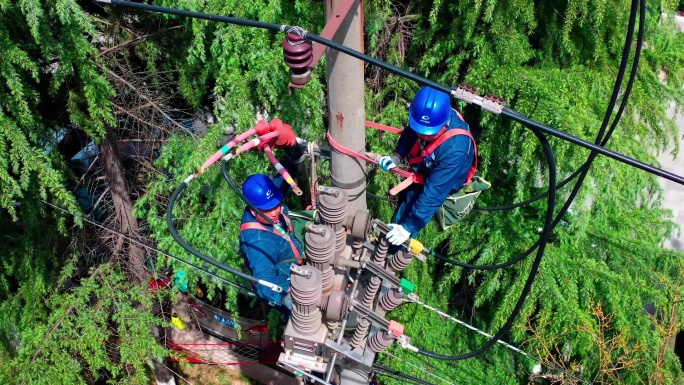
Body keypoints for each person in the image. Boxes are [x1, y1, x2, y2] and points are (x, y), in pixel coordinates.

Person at [377, 86, 476, 246]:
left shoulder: (456, 150)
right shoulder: (431, 116)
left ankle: (390, 257)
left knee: (399, 233)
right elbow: (411, 131)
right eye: (419, 130)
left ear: (444, 124)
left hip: (437, 185)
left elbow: (434, 193)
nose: (421, 135)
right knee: (402, 211)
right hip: (424, 173)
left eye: (428, 133)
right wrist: (397, 156)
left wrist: (407, 228)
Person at [239, 174, 304, 313]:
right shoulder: (258, 241)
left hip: (297, 259)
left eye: (277, 204)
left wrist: (293, 158)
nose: (276, 212)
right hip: (288, 284)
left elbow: (281, 181)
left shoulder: (266, 196)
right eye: (268, 209)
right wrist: (285, 298)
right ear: (252, 209)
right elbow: (263, 279)